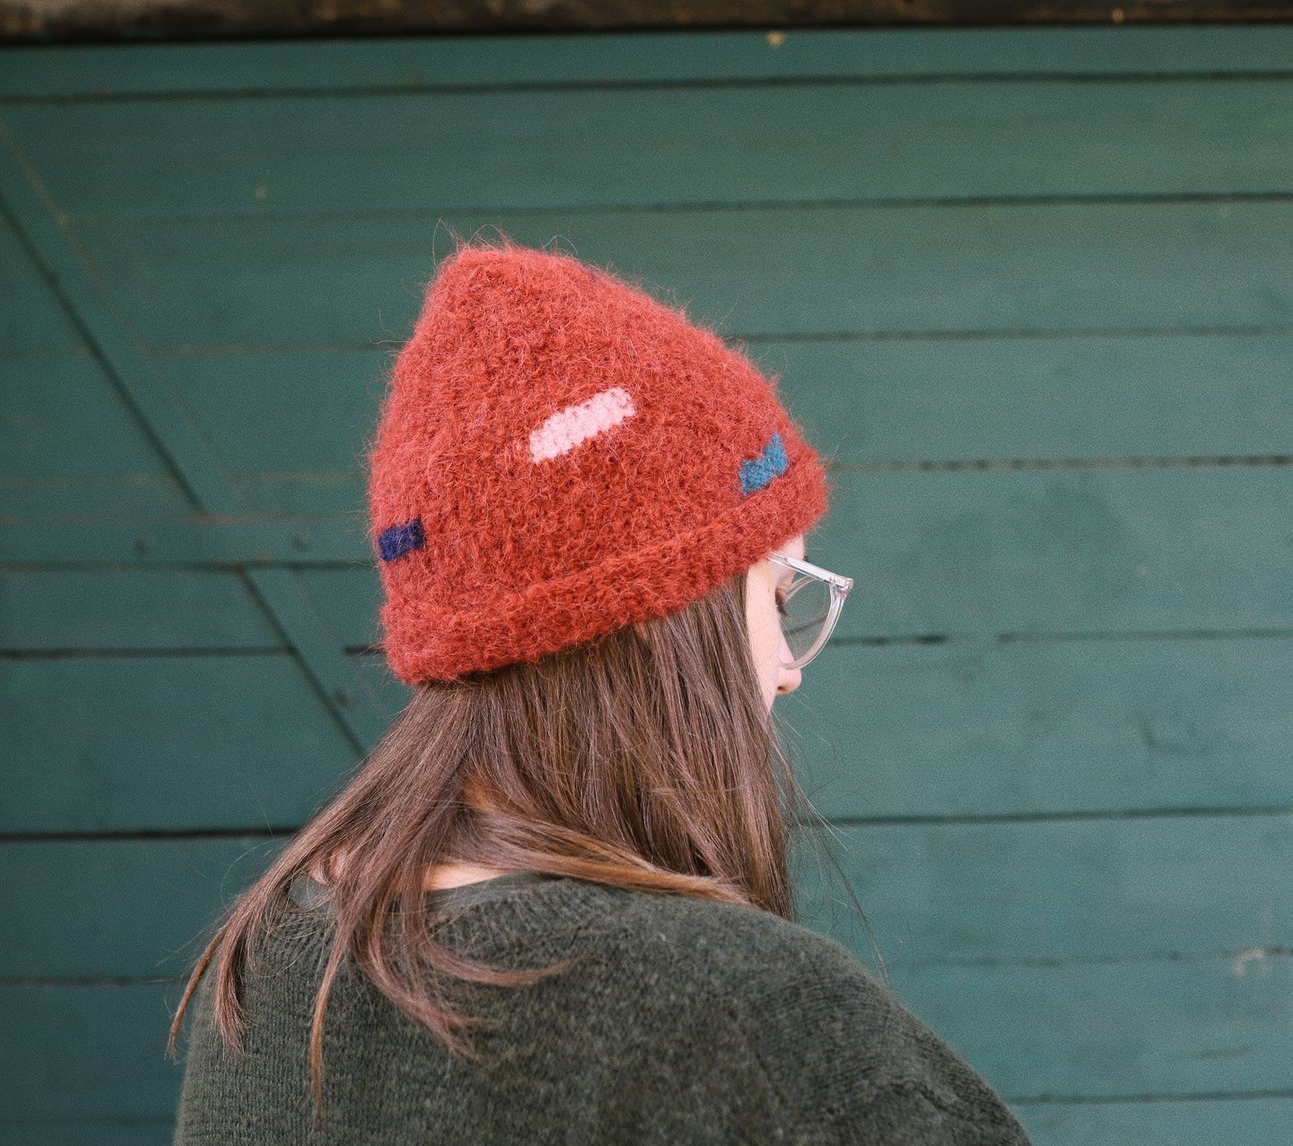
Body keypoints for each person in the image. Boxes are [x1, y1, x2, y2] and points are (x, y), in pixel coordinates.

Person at [170, 242, 1032, 1145]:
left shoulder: (270, 969)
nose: (788, 665)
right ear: (667, 624)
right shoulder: (747, 1018)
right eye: (778, 594)